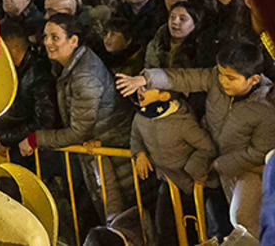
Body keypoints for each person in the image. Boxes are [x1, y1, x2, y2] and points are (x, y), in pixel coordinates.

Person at [117, 40, 275, 236]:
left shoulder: (266, 107)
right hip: (209, 168)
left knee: (243, 220)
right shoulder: (215, 80)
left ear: (253, 80)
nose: (223, 81)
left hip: (245, 172)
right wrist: (145, 80)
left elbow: (259, 151)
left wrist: (219, 164)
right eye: (220, 74)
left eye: (231, 78)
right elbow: (184, 78)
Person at [23, 14, 134, 221]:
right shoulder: (71, 65)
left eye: (55, 37)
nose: (47, 42)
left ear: (73, 41)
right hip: (101, 153)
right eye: (46, 36)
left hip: (113, 155)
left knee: (123, 219)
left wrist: (35, 139)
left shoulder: (85, 76)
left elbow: (79, 130)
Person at [128, 88, 230, 243]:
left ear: (163, 96)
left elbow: (207, 147)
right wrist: (139, 153)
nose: (140, 91)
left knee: (214, 231)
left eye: (147, 88)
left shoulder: (182, 122)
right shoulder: (140, 116)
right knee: (164, 228)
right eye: (140, 87)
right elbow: (135, 136)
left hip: (202, 183)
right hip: (171, 181)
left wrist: (194, 169)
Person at [0, 17, 59, 163]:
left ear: (13, 48)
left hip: (39, 154)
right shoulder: (14, 70)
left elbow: (45, 120)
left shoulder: (39, 73)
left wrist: (5, 137)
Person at [144, 1, 206, 73]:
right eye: (172, 17)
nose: (175, 22)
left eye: (182, 19)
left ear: (195, 23)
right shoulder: (159, 40)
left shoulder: (201, 49)